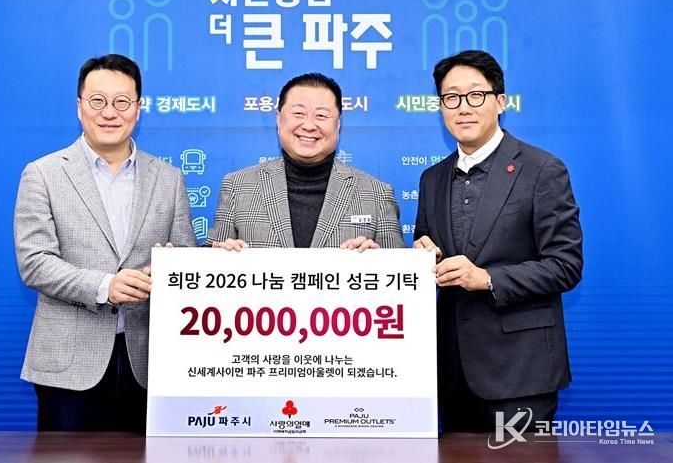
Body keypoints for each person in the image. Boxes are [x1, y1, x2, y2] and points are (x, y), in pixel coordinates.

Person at [14, 54, 197, 432]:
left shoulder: (168, 178)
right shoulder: (43, 173)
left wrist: (172, 268)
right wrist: (105, 286)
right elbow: (35, 262)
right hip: (68, 366)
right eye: (97, 101)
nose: (109, 112)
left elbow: (186, 261)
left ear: (138, 109)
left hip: (149, 362)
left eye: (122, 101)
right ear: (79, 106)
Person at [413, 50, 583, 432]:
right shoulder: (432, 179)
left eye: (476, 95)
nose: (463, 107)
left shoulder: (542, 169)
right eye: (451, 97)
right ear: (440, 107)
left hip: (521, 372)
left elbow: (565, 265)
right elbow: (427, 248)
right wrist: (423, 256)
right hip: (452, 372)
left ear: (500, 102)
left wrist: (488, 279)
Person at [205, 72, 404, 251]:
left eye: (321, 115)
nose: (309, 125)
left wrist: (379, 260)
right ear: (278, 119)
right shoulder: (238, 185)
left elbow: (400, 272)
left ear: (338, 124)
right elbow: (205, 267)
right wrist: (220, 255)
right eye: (298, 113)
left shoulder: (377, 194)